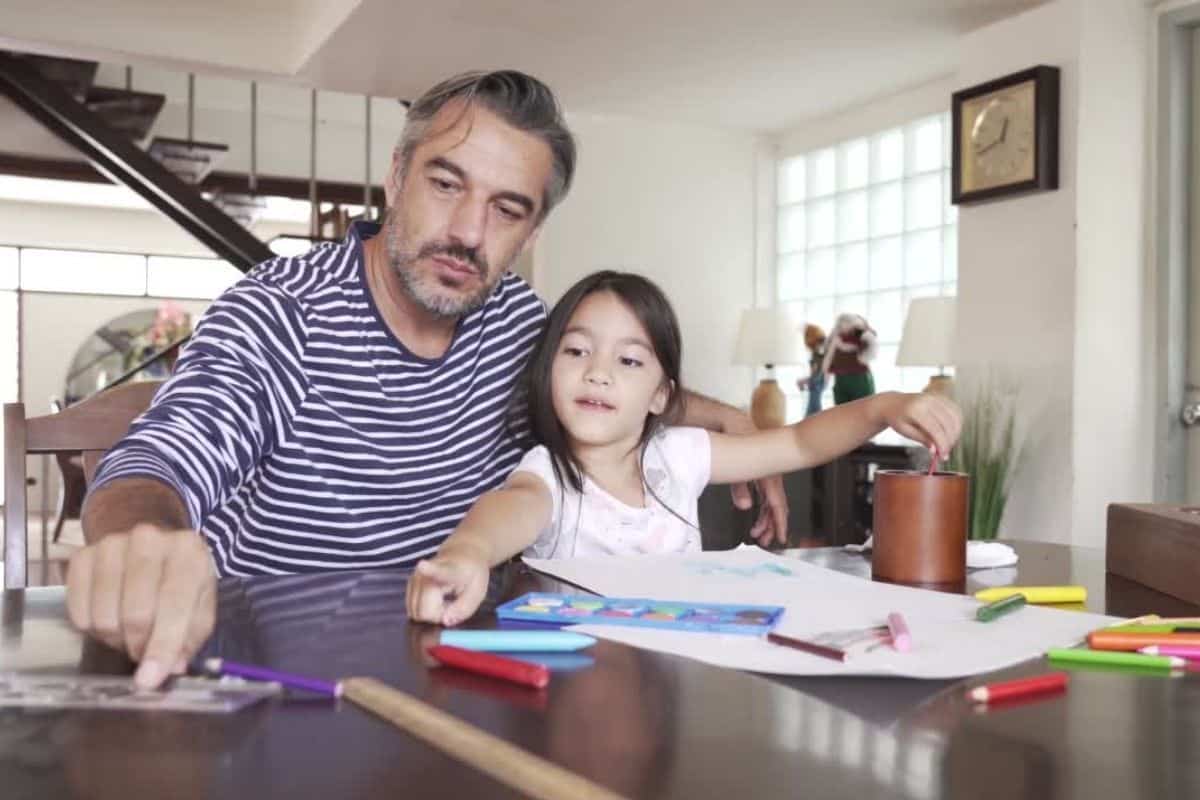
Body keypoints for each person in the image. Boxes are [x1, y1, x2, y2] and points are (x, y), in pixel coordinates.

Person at [65, 70, 788, 689]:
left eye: (507, 209)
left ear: (532, 233)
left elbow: (604, 381)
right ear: (396, 177)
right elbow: (162, 457)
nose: (468, 233)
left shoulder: (518, 322)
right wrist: (145, 540)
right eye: (446, 184)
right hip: (281, 682)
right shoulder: (282, 312)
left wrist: (725, 418)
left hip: (462, 672)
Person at [406, 272, 961, 626]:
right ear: (548, 370)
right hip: (580, 678)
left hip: (676, 674)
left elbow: (798, 441)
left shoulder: (679, 456)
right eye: (576, 351)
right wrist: (467, 552)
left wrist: (882, 407)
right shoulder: (548, 473)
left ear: (661, 395)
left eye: (628, 360)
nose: (598, 372)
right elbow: (508, 510)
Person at [822, 312, 877, 405]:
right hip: (841, 378)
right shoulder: (836, 337)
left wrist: (843, 346)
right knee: (842, 408)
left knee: (863, 406)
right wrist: (825, 372)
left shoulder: (861, 334)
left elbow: (869, 346)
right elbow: (829, 356)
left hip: (859, 377)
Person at [795, 322, 826, 418]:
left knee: (814, 409)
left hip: (817, 383)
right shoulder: (819, 350)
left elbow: (817, 374)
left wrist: (805, 381)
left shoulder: (819, 351)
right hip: (817, 383)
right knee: (813, 408)